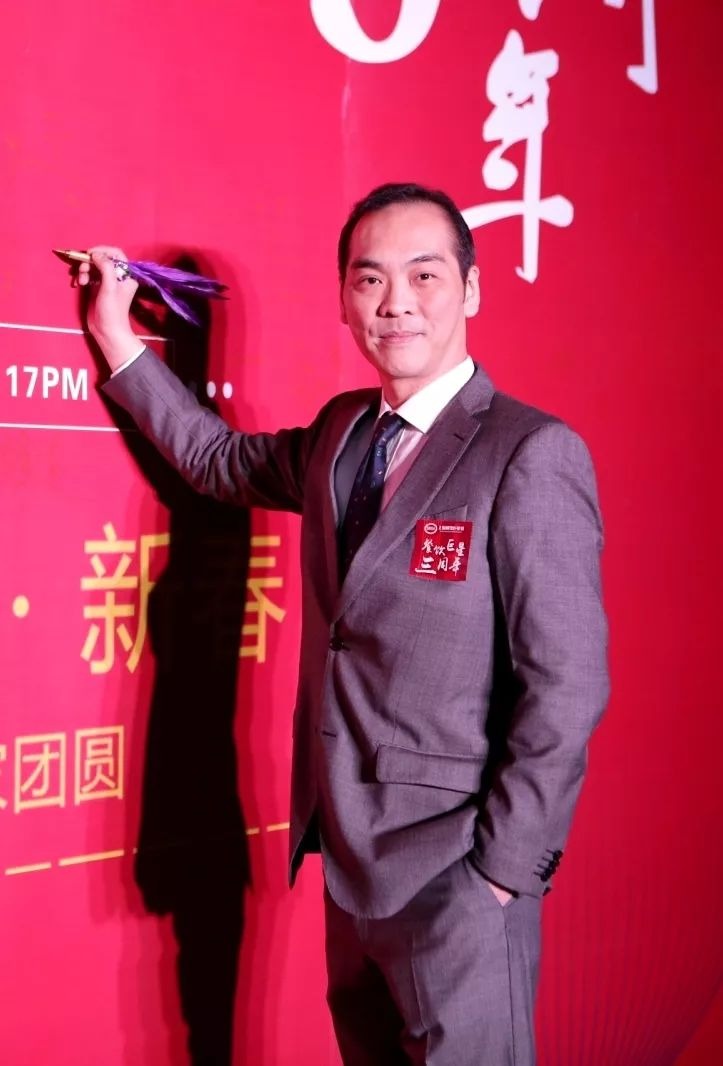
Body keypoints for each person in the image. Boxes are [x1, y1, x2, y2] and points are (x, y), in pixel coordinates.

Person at [77, 182, 609, 1066]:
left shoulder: (526, 451)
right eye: (369, 279)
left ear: (471, 290)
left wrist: (501, 874)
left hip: (457, 876)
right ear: (344, 300)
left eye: (423, 275)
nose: (395, 302)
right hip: (347, 863)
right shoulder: (342, 433)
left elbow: (568, 685)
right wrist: (114, 337)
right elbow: (219, 460)